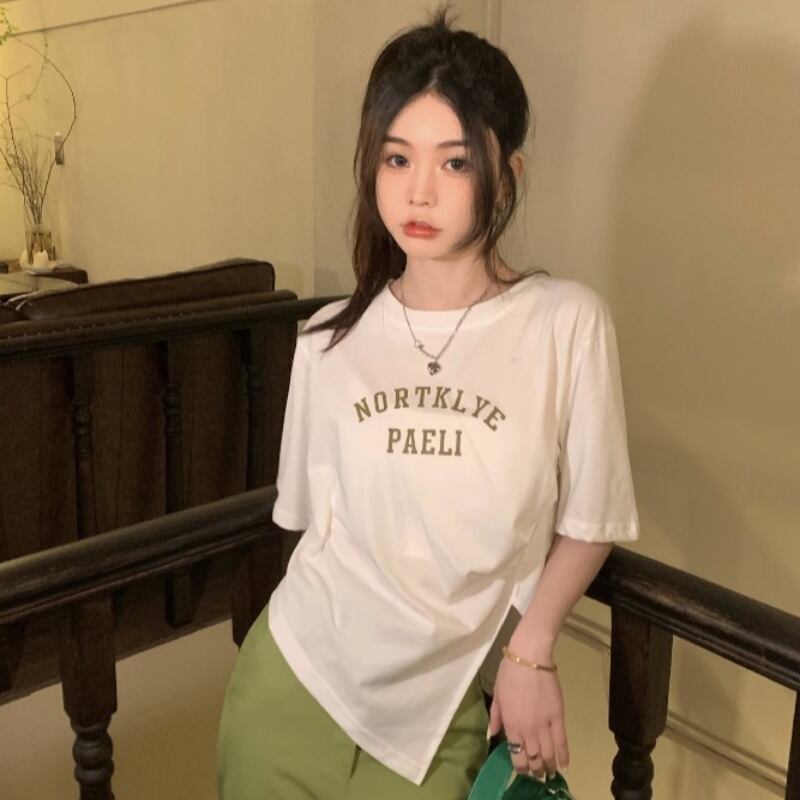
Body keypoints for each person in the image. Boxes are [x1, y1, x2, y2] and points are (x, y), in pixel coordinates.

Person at [216, 5, 639, 799]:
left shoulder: (565, 323)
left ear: (506, 176)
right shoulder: (327, 339)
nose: (418, 190)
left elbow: (594, 517)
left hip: (439, 716)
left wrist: (532, 646)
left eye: (454, 163)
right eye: (396, 157)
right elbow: (310, 527)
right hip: (289, 684)